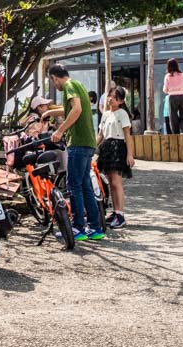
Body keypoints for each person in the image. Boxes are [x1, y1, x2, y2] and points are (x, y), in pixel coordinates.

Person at [45, 64, 105, 241]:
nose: (55, 85)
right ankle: (95, 228)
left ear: (54, 78)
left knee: (73, 185)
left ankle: (78, 227)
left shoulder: (69, 87)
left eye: (52, 81)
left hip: (77, 143)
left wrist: (60, 130)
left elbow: (76, 109)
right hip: (88, 142)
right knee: (85, 186)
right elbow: (72, 108)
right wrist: (50, 112)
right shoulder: (79, 85)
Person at [96, 86, 134, 228]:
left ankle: (120, 214)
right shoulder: (105, 114)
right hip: (106, 147)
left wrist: (130, 155)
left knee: (117, 182)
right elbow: (100, 135)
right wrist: (92, 149)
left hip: (118, 148)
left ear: (121, 101)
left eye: (114, 97)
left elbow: (127, 135)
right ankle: (115, 212)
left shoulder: (122, 113)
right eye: (109, 96)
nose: (110, 99)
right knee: (111, 182)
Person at [163, 59, 183, 135]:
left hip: (172, 97)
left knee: (173, 116)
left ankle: (175, 133)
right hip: (182, 96)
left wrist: (169, 90)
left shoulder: (167, 76)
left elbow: (165, 89)